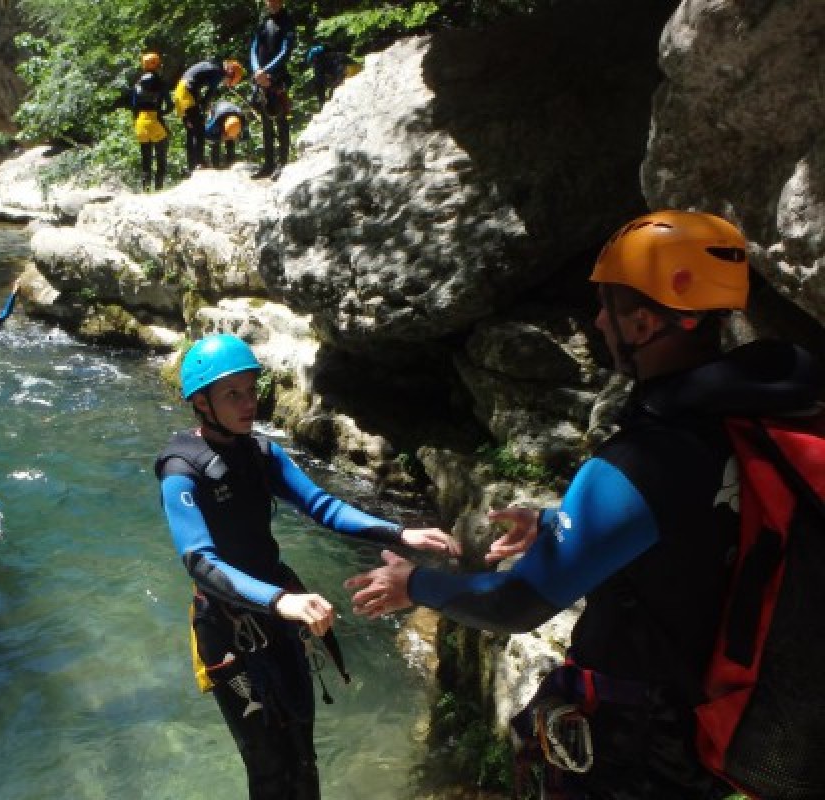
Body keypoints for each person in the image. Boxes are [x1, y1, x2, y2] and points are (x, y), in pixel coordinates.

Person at [343, 210, 824, 799]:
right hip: (702, 731)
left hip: (630, 751)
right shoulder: (753, 418)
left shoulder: (643, 458)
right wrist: (558, 523)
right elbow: (699, 525)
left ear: (644, 323)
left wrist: (414, 585)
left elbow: (514, 606)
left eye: (607, 306)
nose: (597, 321)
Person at [155, 332, 459, 799]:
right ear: (201, 402)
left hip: (280, 615)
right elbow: (199, 560)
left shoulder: (261, 454)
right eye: (232, 394)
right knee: (267, 767)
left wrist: (400, 533)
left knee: (301, 749)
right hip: (228, 627)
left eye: (250, 390)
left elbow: (321, 505)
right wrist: (280, 600)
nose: (248, 403)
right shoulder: (181, 471)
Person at [249, 0, 295, 180]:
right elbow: (254, 47)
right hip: (261, 78)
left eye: (276, 1)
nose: (273, 4)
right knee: (266, 122)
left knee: (281, 119)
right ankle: (268, 164)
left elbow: (285, 51)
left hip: (277, 77)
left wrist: (266, 71)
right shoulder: (263, 21)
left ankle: (282, 163)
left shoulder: (287, 22)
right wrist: (257, 70)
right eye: (270, 1)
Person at [173, 59, 245, 173]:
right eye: (229, 81)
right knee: (199, 131)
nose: (227, 83)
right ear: (230, 73)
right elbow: (210, 92)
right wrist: (203, 106)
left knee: (191, 131)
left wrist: (201, 104)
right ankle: (200, 163)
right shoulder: (219, 72)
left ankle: (192, 166)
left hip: (180, 92)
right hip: (187, 93)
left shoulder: (213, 65)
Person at [131, 52, 173, 191]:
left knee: (146, 158)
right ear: (158, 65)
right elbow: (170, 105)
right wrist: (162, 113)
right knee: (161, 156)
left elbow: (134, 107)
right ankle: (159, 188)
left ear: (144, 65)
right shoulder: (161, 83)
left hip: (140, 122)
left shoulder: (138, 84)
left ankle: (146, 189)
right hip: (155, 120)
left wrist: (136, 122)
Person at [304, 45, 359, 110]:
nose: (313, 65)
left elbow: (319, 83)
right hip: (357, 70)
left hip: (346, 74)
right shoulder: (336, 55)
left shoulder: (319, 63)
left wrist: (322, 103)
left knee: (333, 95)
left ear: (315, 58)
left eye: (312, 63)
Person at [204, 101, 249, 169]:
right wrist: (219, 137)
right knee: (215, 142)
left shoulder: (243, 122)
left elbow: (246, 137)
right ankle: (215, 165)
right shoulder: (216, 122)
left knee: (230, 142)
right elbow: (205, 134)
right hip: (217, 110)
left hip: (232, 112)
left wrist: (238, 138)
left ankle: (230, 163)